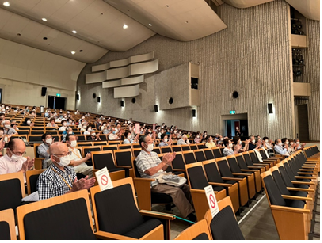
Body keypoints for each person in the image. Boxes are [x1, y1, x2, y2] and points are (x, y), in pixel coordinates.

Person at [135, 135, 196, 222]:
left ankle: (194, 209)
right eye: (149, 141)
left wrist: (168, 162)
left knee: (186, 187)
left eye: (152, 140)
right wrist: (163, 162)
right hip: (153, 183)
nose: (152, 142)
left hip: (163, 179)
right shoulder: (141, 158)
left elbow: (162, 168)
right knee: (176, 191)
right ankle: (189, 215)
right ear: (143, 144)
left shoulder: (154, 154)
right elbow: (150, 172)